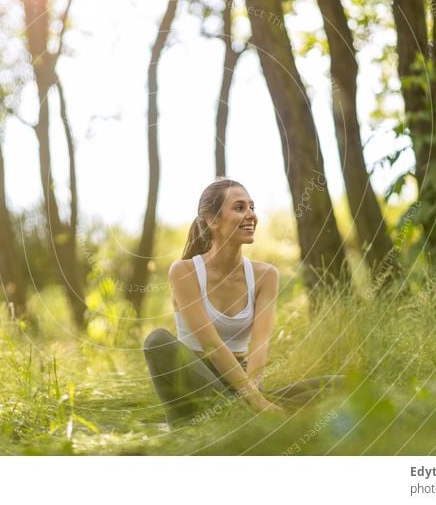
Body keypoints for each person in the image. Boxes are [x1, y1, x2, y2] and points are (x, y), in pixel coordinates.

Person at [142, 178, 345, 427]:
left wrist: (254, 396)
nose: (251, 215)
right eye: (239, 208)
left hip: (240, 385)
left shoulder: (265, 275)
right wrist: (258, 403)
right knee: (157, 341)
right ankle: (237, 419)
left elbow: (260, 346)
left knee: (343, 384)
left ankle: (239, 418)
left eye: (252, 207)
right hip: (195, 386)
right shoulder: (184, 272)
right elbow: (212, 346)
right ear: (213, 220)